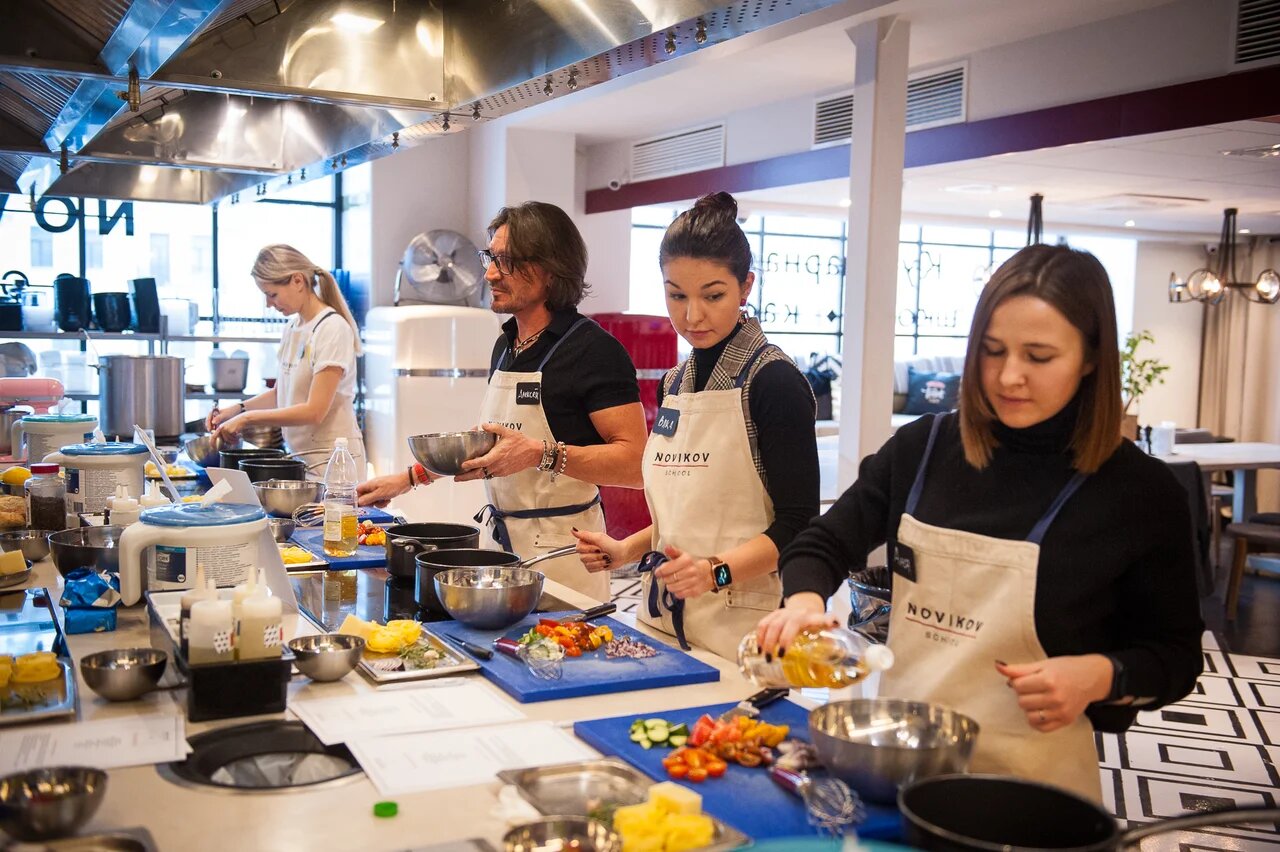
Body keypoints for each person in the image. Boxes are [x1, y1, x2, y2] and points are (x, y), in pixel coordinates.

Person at [755, 244, 1204, 803]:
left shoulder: (1138, 492)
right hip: (900, 775)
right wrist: (804, 601)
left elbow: (1176, 655)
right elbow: (825, 540)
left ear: (1091, 358)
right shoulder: (924, 448)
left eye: (1038, 357)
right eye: (992, 351)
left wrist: (1098, 676)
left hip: (1031, 796)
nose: (1009, 376)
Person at [573, 192, 819, 660]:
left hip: (744, 624)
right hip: (661, 619)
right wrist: (625, 550)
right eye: (676, 295)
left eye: (713, 295)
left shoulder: (773, 382)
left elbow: (799, 526)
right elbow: (684, 515)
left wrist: (716, 571)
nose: (692, 315)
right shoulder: (675, 383)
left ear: (746, 287)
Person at [358, 201, 646, 602]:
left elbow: (636, 465)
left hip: (562, 555)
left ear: (550, 268)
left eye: (506, 261)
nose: (490, 273)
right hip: (498, 546)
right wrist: (409, 479)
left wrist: (540, 455)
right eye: (491, 257)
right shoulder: (506, 344)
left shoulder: (594, 351)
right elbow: (492, 445)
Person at [207, 245, 366, 479]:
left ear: (298, 281)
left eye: (272, 294)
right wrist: (234, 411)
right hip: (302, 459)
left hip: (335, 465)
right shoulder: (293, 328)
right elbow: (280, 394)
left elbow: (315, 411)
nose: (270, 304)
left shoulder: (332, 329)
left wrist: (246, 419)